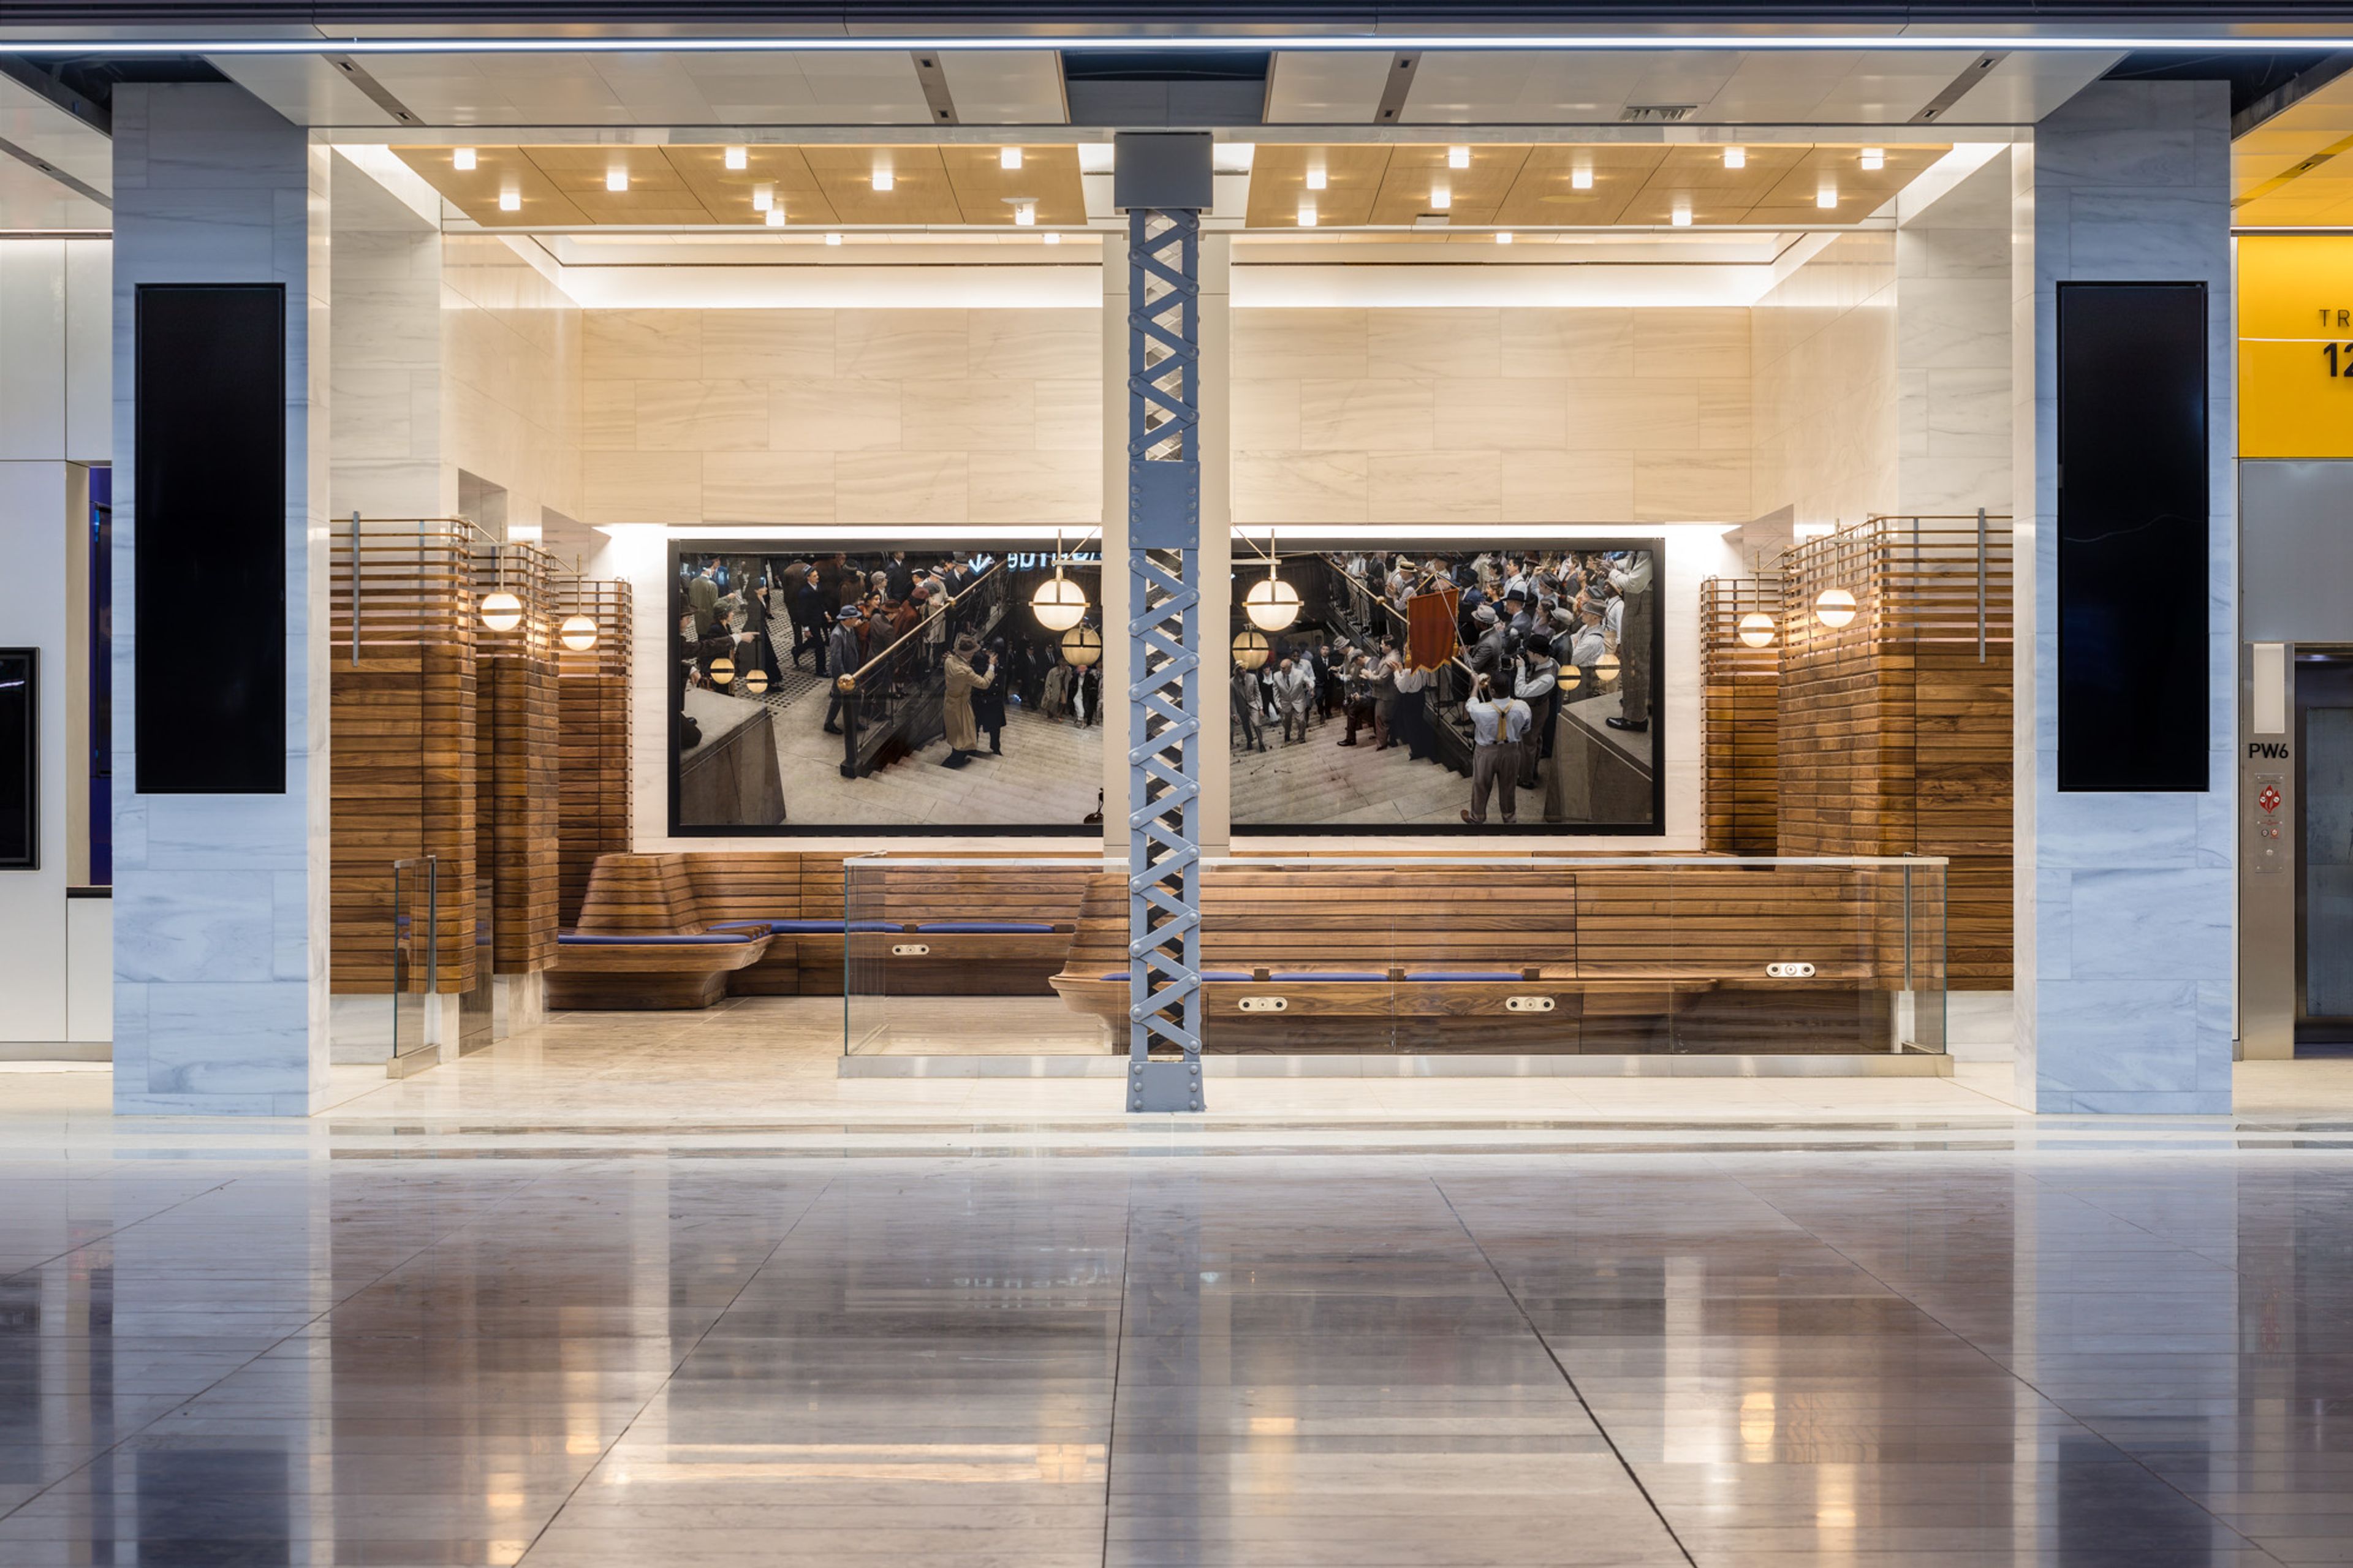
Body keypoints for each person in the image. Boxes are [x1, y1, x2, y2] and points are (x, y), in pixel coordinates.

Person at [1461, 675, 1531, 827]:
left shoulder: (1480, 710)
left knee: (1481, 784)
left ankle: (1477, 818)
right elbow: (1526, 728)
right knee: (1509, 786)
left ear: (1492, 691)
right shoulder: (1523, 707)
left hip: (1486, 752)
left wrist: (1475, 686)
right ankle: (1509, 819)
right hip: (1511, 751)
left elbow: (1470, 705)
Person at [1607, 551, 1654, 733]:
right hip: (1640, 600)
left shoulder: (1647, 550)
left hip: (1640, 601)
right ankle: (1637, 701)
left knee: (1634, 658)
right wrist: (1617, 565)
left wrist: (1612, 573)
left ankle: (1635, 717)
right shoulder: (1644, 549)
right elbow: (1635, 563)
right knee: (1640, 657)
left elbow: (1635, 583)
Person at [941, 631, 993, 769]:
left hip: (950, 701)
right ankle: (955, 761)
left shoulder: (949, 660)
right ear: (967, 654)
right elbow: (984, 683)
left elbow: (952, 658)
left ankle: (955, 758)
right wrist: (991, 666)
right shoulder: (964, 671)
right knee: (963, 734)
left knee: (955, 732)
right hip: (961, 705)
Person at [1514, 636, 1559, 790]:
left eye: (1529, 652)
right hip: (1541, 705)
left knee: (1527, 744)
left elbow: (1521, 691)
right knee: (1535, 740)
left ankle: (1526, 779)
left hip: (1535, 710)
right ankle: (1532, 770)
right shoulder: (1553, 663)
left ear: (1538, 655)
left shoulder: (1547, 678)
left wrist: (1520, 669)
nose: (1526, 654)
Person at [822, 608, 863, 735]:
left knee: (855, 696)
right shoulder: (837, 634)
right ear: (847, 619)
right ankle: (829, 723)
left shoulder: (849, 629)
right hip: (843, 674)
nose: (857, 619)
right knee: (838, 699)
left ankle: (853, 720)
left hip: (852, 671)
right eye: (855, 617)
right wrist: (843, 678)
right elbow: (836, 658)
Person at [1392, 651, 1432, 760]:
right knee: (1418, 722)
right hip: (1420, 696)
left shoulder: (1408, 670)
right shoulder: (1423, 664)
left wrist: (1397, 673)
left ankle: (1417, 751)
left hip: (1410, 699)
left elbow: (1402, 688)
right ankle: (1422, 748)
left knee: (1411, 726)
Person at [972, 638, 1009, 757]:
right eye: (987, 651)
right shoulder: (979, 661)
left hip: (994, 699)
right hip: (980, 698)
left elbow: (1002, 673)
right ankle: (972, 747)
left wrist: (995, 664)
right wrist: (990, 665)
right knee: (975, 726)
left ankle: (995, 747)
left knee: (995, 727)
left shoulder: (1000, 661)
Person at [1272, 657, 1314, 744]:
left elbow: (1309, 680)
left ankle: (1302, 737)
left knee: (1302, 721)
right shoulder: (1276, 676)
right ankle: (1287, 734)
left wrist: (1311, 686)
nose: (1281, 670)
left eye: (1284, 668)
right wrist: (1277, 704)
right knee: (1286, 722)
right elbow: (1275, 691)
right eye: (1280, 668)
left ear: (1290, 667)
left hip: (1298, 700)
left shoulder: (1300, 673)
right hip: (1285, 702)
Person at [1232, 662, 1267, 752]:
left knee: (1257, 724)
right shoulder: (1232, 683)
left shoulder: (1252, 677)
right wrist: (1235, 714)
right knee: (1246, 726)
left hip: (1253, 704)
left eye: (1244, 668)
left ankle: (1261, 743)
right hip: (1242, 707)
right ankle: (1249, 740)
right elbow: (1232, 700)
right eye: (1240, 669)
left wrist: (1261, 708)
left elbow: (1257, 693)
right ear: (1237, 671)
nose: (1243, 670)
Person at [686, 562, 720, 637]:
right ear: (706, 570)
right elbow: (715, 604)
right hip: (710, 620)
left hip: (698, 618)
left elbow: (691, 599)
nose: (714, 570)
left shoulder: (693, 582)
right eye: (713, 568)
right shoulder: (712, 585)